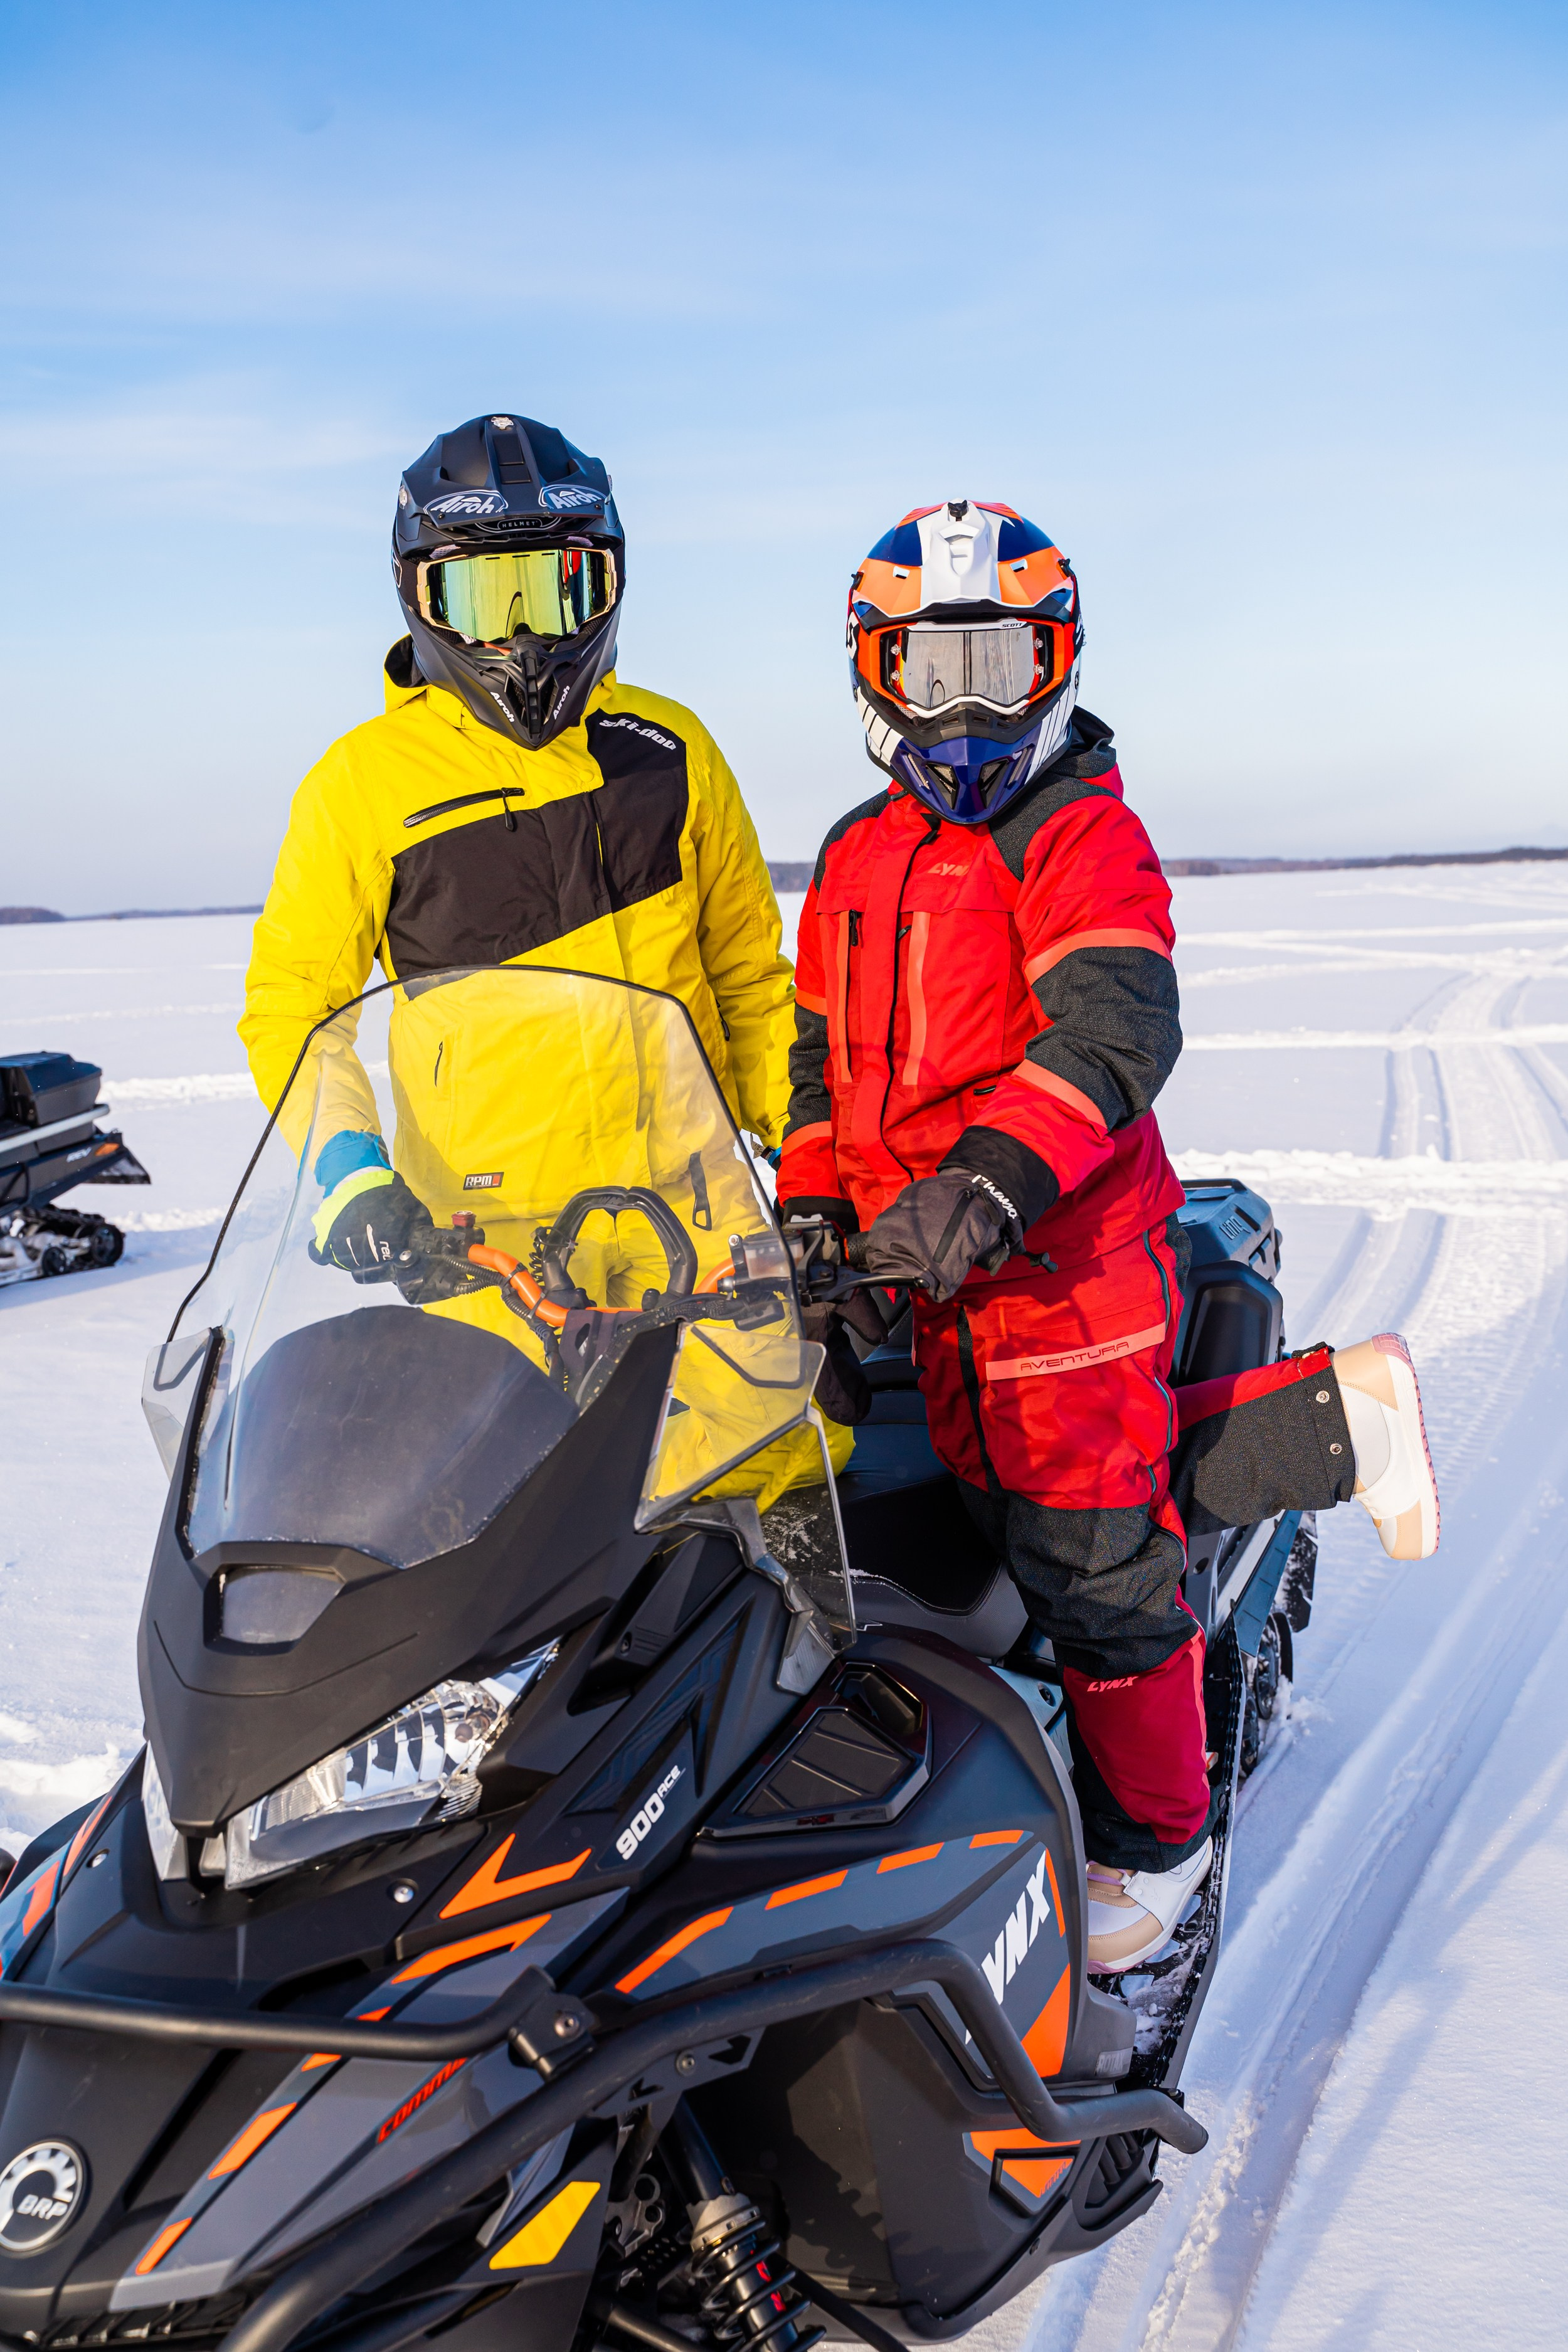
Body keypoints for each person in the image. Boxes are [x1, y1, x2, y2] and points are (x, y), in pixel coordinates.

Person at [776, 499, 1439, 1969]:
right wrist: (818, 1213)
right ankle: (1334, 1422)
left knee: (1087, 1554)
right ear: (870, 676)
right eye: (921, 668)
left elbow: (1114, 1030)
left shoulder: (1079, 831)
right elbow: (817, 1063)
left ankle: (1158, 1842)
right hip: (916, 1268)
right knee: (945, 1506)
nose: (960, 709)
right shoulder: (853, 852)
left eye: (996, 666)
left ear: (1052, 663)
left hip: (1058, 1266)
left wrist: (988, 1188)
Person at [240, 410, 832, 1502]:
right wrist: (348, 1177)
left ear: (604, 586)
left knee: (771, 1506)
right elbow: (292, 1007)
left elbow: (752, 983)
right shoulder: (361, 789)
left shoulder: (673, 752)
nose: (520, 636)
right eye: (482, 596)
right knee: (497, 1546)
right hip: (486, 1255)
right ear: (422, 598)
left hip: (693, 1232)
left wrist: (810, 1160)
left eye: (552, 590)